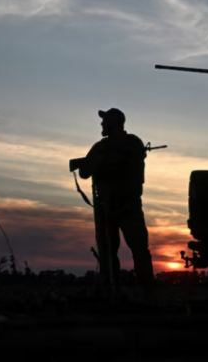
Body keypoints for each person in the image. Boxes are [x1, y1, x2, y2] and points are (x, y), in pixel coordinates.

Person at [75, 108, 154, 290]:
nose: (101, 124)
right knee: (108, 252)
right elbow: (84, 172)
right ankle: (112, 290)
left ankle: (146, 291)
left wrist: (108, 159)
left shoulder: (129, 143)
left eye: (104, 122)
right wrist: (98, 161)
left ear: (112, 124)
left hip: (127, 206)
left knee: (138, 250)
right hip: (107, 207)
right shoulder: (103, 147)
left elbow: (135, 163)